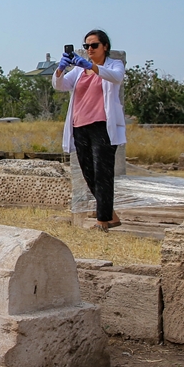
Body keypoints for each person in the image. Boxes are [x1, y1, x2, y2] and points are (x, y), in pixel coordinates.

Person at [52, 29, 126, 231]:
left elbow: (116, 77)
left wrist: (91, 66)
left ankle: (102, 221)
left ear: (105, 46)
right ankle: (111, 215)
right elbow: (60, 85)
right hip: (80, 127)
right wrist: (60, 69)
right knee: (89, 174)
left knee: (102, 173)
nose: (90, 49)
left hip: (102, 127)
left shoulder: (113, 65)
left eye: (94, 45)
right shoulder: (78, 71)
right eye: (86, 46)